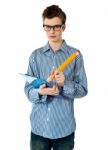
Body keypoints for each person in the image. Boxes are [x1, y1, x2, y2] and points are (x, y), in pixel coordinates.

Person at [24, 5, 88, 150]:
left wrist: (65, 83)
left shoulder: (75, 56)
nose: (51, 31)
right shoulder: (35, 56)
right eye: (47, 27)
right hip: (39, 128)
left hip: (64, 129)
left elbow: (83, 90)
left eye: (56, 27)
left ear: (63, 27)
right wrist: (40, 92)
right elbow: (28, 89)